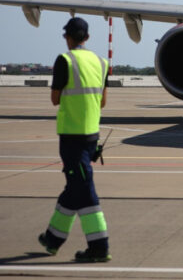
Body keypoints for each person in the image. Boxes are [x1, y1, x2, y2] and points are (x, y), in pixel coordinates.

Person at [38, 17, 112, 262]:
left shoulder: (65, 61)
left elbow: (54, 99)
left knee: (85, 192)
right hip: (92, 136)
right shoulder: (101, 62)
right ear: (87, 38)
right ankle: (52, 238)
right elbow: (102, 101)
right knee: (74, 186)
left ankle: (99, 246)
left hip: (71, 138)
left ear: (67, 37)